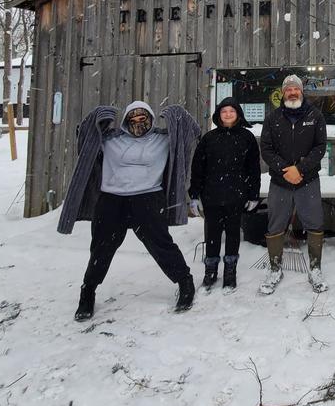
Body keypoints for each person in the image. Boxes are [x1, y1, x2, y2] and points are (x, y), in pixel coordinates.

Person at [58, 101, 201, 322]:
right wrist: (100, 112)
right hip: (111, 201)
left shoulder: (163, 139)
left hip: (148, 199)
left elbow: (192, 130)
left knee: (161, 245)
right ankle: (88, 292)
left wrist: (173, 113)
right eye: (132, 119)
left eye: (143, 119)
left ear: (151, 119)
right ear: (125, 121)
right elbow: (84, 132)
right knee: (101, 249)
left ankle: (185, 282)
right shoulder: (109, 140)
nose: (138, 123)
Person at [258, 75, 329, 294]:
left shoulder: (315, 116)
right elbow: (266, 149)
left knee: (314, 223)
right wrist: (285, 170)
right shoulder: (273, 118)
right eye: (288, 89)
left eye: (295, 89)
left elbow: (320, 147)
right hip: (280, 182)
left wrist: (300, 169)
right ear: (283, 93)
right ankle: (275, 268)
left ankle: (315, 268)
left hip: (307, 180)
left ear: (301, 92)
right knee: (275, 224)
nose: (292, 92)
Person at [188, 97, 261, 294]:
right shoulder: (209, 138)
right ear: (218, 115)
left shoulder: (247, 138)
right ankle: (210, 271)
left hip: (236, 196)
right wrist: (194, 194)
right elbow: (198, 169)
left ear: (238, 114)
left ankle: (230, 271)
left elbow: (254, 169)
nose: (228, 114)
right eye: (224, 111)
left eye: (232, 111)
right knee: (211, 234)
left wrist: (253, 195)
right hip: (211, 196)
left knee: (232, 234)